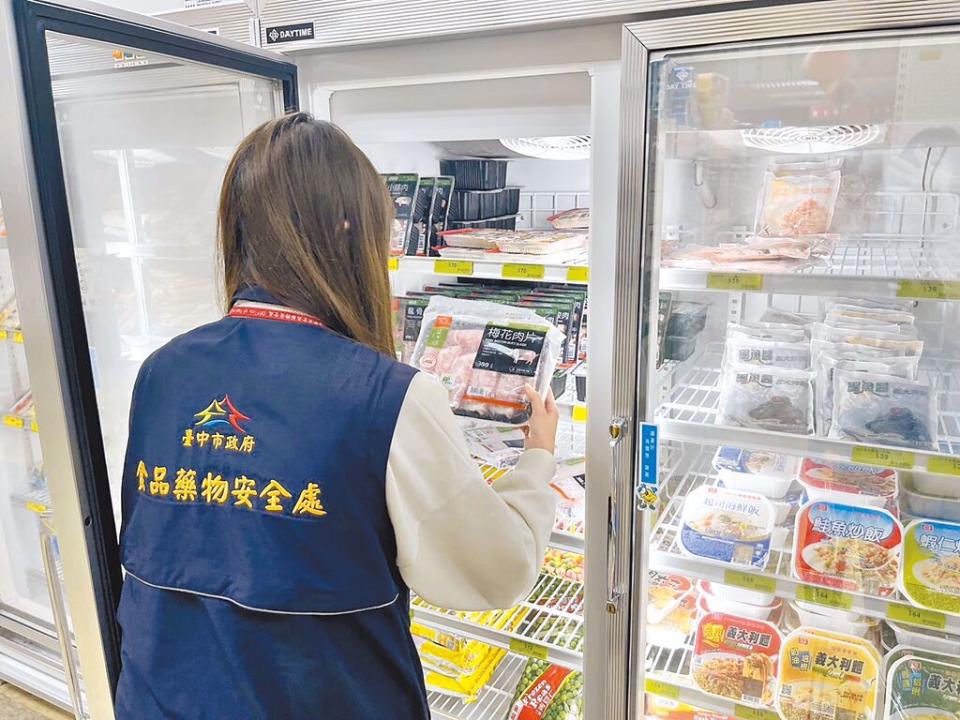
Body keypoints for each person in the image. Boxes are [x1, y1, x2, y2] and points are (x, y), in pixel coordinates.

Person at [115, 112, 560, 719]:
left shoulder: (160, 370)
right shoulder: (387, 394)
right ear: (352, 226)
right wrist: (535, 462)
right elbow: (493, 570)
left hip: (162, 697)